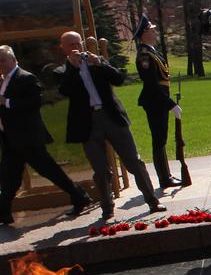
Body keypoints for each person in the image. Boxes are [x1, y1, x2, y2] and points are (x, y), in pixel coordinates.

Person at [57, 31, 164, 221]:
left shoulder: (96, 62)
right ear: (63, 48)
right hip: (87, 123)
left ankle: (152, 200)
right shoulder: (61, 70)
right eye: (71, 45)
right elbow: (64, 90)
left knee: (134, 161)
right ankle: (107, 208)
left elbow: (119, 79)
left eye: (78, 43)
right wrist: (73, 69)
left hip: (111, 117)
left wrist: (99, 63)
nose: (76, 48)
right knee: (100, 170)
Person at [0, 45, 92, 226]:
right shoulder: (3, 81)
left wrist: (7, 101)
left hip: (28, 138)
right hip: (10, 139)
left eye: (2, 60)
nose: (0, 64)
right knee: (10, 177)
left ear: (13, 59)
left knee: (48, 170)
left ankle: (79, 196)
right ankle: (4, 213)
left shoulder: (25, 78)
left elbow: (33, 103)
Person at [133, 15, 182, 189]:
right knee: (159, 140)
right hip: (155, 101)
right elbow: (152, 85)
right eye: (152, 29)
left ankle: (166, 175)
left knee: (161, 139)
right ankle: (164, 178)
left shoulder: (152, 52)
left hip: (159, 100)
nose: (155, 32)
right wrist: (171, 104)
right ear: (144, 33)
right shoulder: (144, 55)